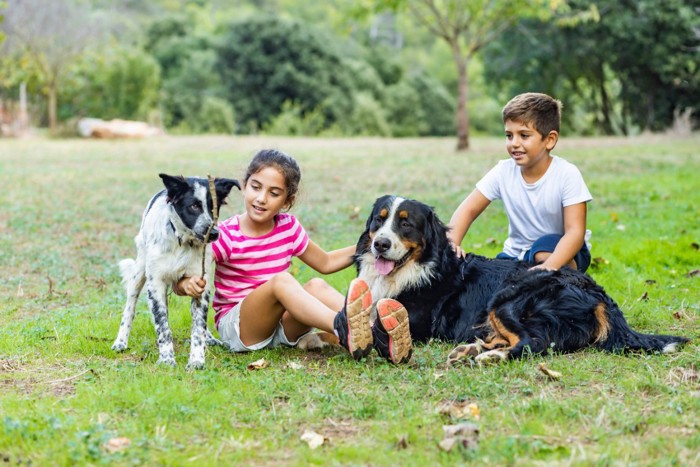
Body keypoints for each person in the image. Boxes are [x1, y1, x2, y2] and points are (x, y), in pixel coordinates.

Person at [173, 149, 410, 363]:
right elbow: (182, 279)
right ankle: (344, 326)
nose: (261, 198)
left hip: (282, 326)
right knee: (282, 282)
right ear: (244, 186)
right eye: (256, 187)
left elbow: (325, 262)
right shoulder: (225, 234)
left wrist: (371, 245)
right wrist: (186, 284)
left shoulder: (288, 227)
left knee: (316, 285)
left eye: (274, 193)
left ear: (287, 201)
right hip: (240, 328)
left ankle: (377, 334)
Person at [448, 92, 592, 272]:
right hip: (516, 254)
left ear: (549, 140)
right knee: (492, 278)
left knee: (542, 249)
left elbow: (575, 232)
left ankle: (567, 280)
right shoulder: (503, 171)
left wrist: (549, 266)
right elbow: (468, 209)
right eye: (509, 135)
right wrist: (452, 244)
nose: (514, 143)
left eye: (524, 135)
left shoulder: (566, 174)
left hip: (565, 251)